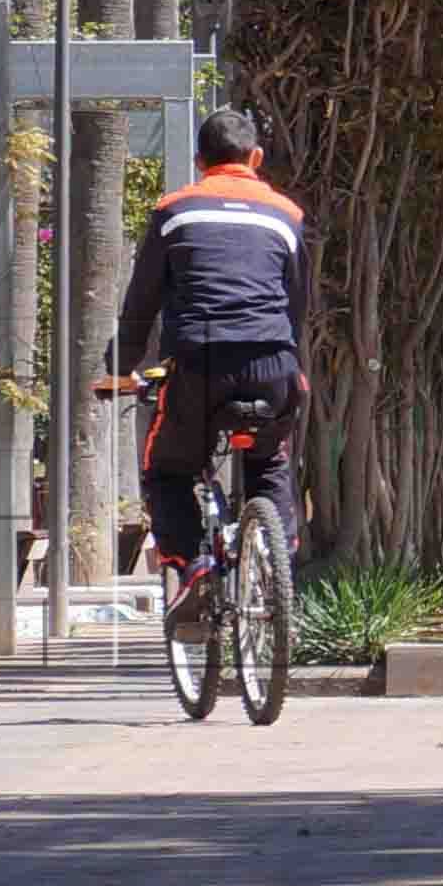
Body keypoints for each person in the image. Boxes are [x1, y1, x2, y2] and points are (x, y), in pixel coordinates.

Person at [112, 108, 304, 603]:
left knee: (166, 470)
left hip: (200, 364)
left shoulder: (175, 211)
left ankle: (195, 565)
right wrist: (291, 365)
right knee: (271, 463)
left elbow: (142, 302)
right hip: (272, 362)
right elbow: (295, 302)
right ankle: (275, 563)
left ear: (200, 161)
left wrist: (118, 368)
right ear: (256, 158)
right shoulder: (286, 214)